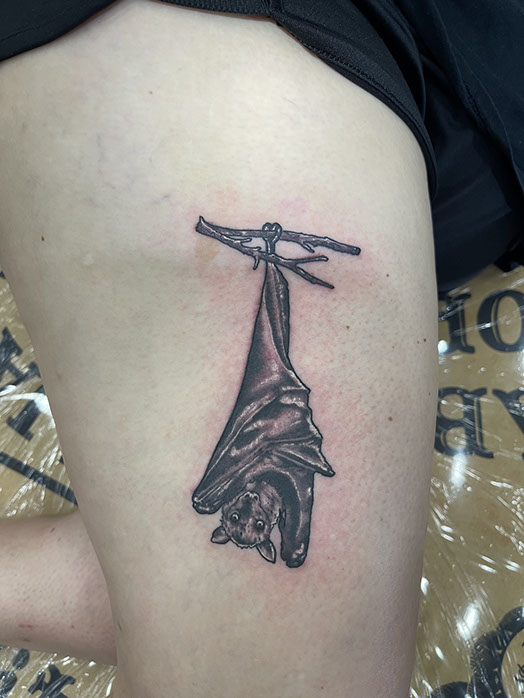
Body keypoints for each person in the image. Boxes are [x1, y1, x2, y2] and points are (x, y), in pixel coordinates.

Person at [0, 1, 521, 696]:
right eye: (255, 526)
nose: (256, 518)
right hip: (228, 47)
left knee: (239, 618)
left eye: (241, 520)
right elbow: (286, 566)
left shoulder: (234, 485)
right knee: (277, 645)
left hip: (313, 90)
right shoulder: (286, 512)